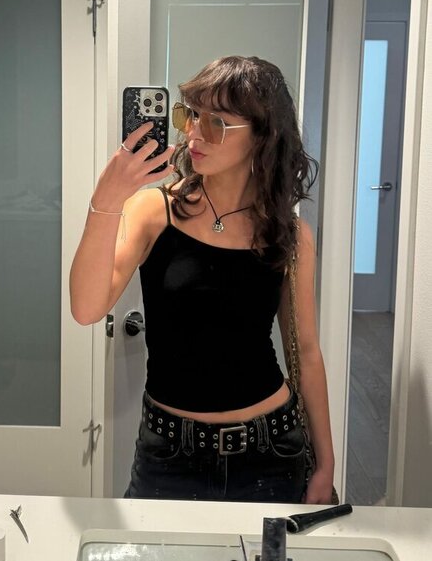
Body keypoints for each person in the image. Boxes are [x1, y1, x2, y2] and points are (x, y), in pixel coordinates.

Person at [70, 55, 335, 503]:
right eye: (191, 114)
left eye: (217, 123)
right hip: (168, 452)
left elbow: (306, 352)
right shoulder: (154, 211)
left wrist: (326, 463)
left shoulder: (288, 235)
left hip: (270, 450)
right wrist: (106, 200)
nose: (194, 133)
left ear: (263, 136)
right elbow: (86, 308)